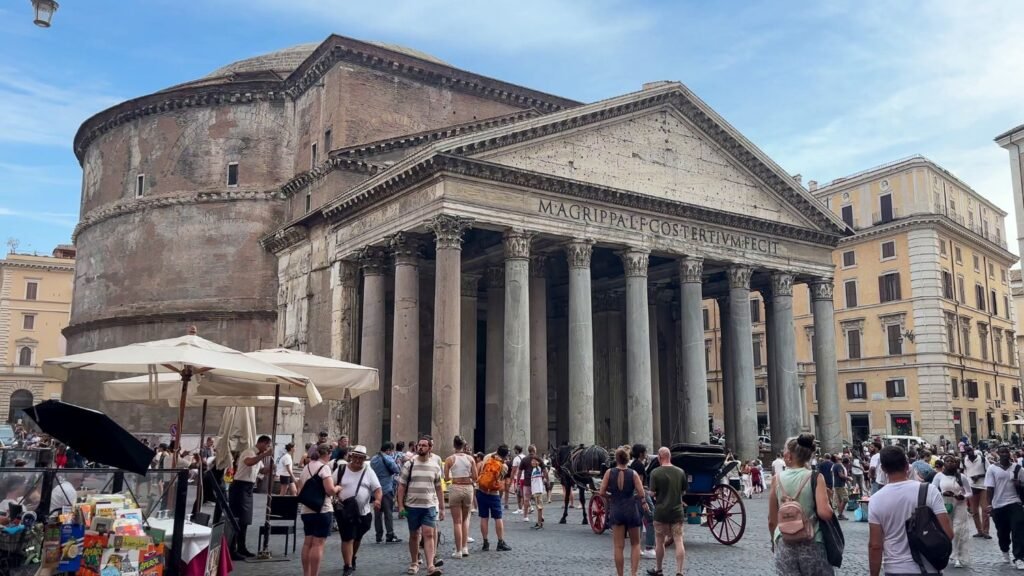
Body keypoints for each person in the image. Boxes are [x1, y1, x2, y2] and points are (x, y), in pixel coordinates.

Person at [868, 446, 953, 576]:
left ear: (883, 469)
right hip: (928, 567)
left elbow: (875, 545)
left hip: (895, 568)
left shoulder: (875, 500)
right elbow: (948, 533)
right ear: (907, 466)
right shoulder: (929, 490)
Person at [768, 434, 833, 575]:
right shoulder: (815, 477)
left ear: (788, 455)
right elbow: (825, 513)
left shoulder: (776, 479)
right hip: (812, 540)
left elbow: (772, 520)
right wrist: (829, 500)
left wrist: (774, 541)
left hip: (784, 541)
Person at [396, 436, 445, 575]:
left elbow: (439, 488)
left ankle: (430, 566)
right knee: (414, 535)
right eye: (419, 445)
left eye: (424, 445)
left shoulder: (435, 466)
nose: (421, 447)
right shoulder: (409, 464)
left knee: (429, 534)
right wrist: (400, 506)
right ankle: (414, 562)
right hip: (412, 506)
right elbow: (401, 486)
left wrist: (441, 508)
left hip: (429, 506)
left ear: (430, 448)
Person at [599, 447, 649, 576]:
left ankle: (620, 574)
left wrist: (611, 496)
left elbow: (602, 492)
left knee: (618, 546)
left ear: (616, 459)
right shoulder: (633, 473)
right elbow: (641, 492)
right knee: (636, 544)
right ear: (628, 460)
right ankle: (634, 573)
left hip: (617, 509)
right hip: (631, 508)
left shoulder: (609, 472)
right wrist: (641, 501)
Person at [334, 445, 382, 576]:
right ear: (351, 457)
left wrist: (377, 500)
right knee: (347, 537)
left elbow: (377, 489)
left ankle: (353, 556)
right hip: (344, 510)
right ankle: (347, 565)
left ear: (364, 459)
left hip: (363, 512)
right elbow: (331, 486)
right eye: (355, 457)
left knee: (357, 537)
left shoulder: (368, 471)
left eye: (361, 458)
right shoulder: (341, 469)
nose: (357, 460)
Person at [297, 444, 341, 576]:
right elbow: (330, 490)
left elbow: (300, 488)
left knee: (307, 543)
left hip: (306, 510)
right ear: (327, 454)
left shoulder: (306, 467)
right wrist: (338, 488)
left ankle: (306, 574)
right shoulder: (324, 468)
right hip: (322, 510)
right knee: (318, 544)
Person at [229, 435, 272, 559]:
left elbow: (261, 470)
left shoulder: (258, 456)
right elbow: (249, 462)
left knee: (245, 520)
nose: (268, 448)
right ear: (262, 443)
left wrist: (272, 467)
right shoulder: (249, 452)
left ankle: (242, 547)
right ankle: (232, 548)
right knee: (238, 519)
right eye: (267, 445)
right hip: (239, 487)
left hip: (248, 488)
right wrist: (265, 455)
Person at [647, 447, 687, 576]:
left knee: (659, 541)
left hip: (661, 512)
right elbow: (683, 492)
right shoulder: (680, 472)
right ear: (669, 457)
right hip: (677, 512)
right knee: (679, 540)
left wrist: (650, 492)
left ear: (659, 457)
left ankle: (658, 569)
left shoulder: (655, 473)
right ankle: (679, 571)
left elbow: (652, 493)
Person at [986, 444, 1024, 567]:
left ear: (1010, 454)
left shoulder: (1018, 468)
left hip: (1015, 502)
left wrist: (1019, 484)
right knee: (1002, 532)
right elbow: (990, 488)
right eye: (1001, 452)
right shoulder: (992, 469)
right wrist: (989, 505)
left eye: (1006, 452)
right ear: (998, 454)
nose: (1004, 454)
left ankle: (1019, 557)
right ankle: (1004, 550)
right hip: (998, 504)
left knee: (1018, 529)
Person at [932, 455, 972, 568]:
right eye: (948, 461)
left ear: (956, 463)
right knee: (946, 530)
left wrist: (963, 496)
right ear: (944, 464)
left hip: (959, 505)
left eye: (952, 461)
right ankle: (946, 552)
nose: (950, 463)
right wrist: (942, 494)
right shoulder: (938, 476)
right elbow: (933, 490)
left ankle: (957, 556)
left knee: (958, 529)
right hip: (944, 505)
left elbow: (969, 492)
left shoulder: (962, 477)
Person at [444, 435, 477, 557]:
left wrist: (454, 476)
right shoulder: (470, 459)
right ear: (464, 446)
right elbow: (475, 477)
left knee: (456, 522)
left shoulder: (449, 459)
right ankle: (465, 548)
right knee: (466, 518)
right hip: (468, 488)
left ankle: (458, 551)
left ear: (454, 445)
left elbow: (446, 478)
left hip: (455, 487)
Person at [476, 444, 512, 551]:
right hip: (493, 494)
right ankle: (500, 542)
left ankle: (485, 542)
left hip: (481, 491)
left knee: (484, 517)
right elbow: (500, 478)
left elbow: (482, 470)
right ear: (506, 456)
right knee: (498, 518)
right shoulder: (504, 466)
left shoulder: (487, 458)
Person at [370, 441, 402, 544]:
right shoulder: (388, 458)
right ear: (388, 450)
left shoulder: (373, 459)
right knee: (388, 513)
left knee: (378, 515)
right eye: (391, 450)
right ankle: (390, 534)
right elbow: (396, 469)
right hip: (386, 489)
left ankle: (378, 536)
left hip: (375, 490)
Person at [628, 444, 656, 557]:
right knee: (651, 519)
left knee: (638, 520)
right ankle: (649, 548)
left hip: (634, 495)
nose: (646, 454)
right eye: (645, 452)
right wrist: (644, 497)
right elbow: (639, 482)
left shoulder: (633, 464)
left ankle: (637, 548)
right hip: (641, 494)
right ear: (641, 454)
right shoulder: (639, 465)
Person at [963, 444, 991, 538]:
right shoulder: (964, 460)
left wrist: (979, 476)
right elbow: (964, 472)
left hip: (983, 486)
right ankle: (979, 531)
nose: (969, 452)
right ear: (965, 452)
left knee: (985, 509)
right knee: (974, 511)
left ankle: (986, 531)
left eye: (970, 450)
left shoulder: (982, 459)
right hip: (971, 487)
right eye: (967, 451)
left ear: (973, 450)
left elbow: (989, 471)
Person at [508, 445, 524, 513]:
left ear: (517, 450)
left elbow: (513, 471)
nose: (514, 451)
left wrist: (510, 481)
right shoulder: (525, 457)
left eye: (514, 449)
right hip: (525, 477)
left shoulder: (516, 459)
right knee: (524, 494)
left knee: (518, 494)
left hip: (518, 478)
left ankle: (520, 508)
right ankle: (524, 508)